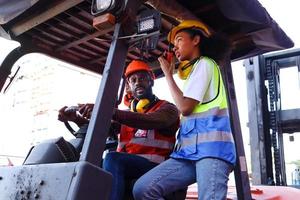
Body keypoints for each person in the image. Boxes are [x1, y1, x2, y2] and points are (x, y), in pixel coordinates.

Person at [133, 20, 236, 200]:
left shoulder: (205, 64)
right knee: (143, 189)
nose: (175, 48)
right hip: (188, 154)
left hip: (211, 151)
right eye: (173, 44)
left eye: (179, 40)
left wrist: (167, 73)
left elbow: (185, 107)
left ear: (196, 40)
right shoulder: (195, 73)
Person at [58, 60, 179, 200]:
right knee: (89, 165)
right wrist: (76, 119)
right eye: (133, 80)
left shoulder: (168, 109)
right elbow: (105, 129)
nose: (138, 82)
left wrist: (109, 110)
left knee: (113, 158)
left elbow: (153, 120)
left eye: (142, 78)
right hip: (128, 165)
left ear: (151, 81)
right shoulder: (127, 115)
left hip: (156, 168)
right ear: (128, 86)